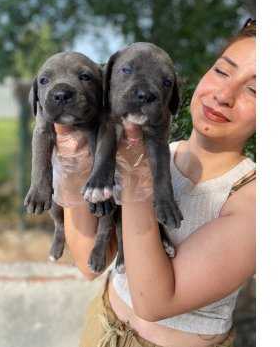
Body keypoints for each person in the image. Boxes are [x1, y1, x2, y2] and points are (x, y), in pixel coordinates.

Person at [57, 19, 256, 347]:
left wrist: (136, 174)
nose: (223, 95)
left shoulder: (250, 199)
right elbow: (89, 263)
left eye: (254, 90)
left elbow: (153, 302)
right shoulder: (166, 153)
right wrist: (72, 157)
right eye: (222, 71)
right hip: (101, 326)